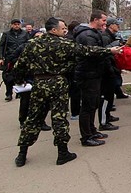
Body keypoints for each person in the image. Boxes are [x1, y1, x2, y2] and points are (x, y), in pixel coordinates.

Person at [13, 17, 123, 167]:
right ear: (53, 30)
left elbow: (19, 66)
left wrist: (20, 80)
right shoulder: (63, 44)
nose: (65, 31)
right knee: (59, 119)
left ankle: (22, 154)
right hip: (58, 83)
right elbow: (86, 51)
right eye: (62, 28)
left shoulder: (32, 44)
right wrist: (109, 50)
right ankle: (62, 153)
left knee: (33, 118)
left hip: (39, 84)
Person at [74, 10, 111, 146]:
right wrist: (109, 51)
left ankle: (92, 130)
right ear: (95, 20)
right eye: (103, 20)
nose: (105, 24)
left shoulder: (93, 33)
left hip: (94, 74)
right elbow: (92, 52)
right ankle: (86, 136)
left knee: (93, 104)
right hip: (88, 75)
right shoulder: (87, 35)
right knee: (88, 106)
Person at [98, 17, 122, 131]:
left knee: (109, 96)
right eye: (117, 24)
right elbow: (106, 55)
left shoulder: (110, 37)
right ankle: (103, 122)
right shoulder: (106, 37)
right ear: (111, 25)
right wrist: (111, 70)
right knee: (105, 97)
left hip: (111, 70)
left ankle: (107, 116)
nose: (118, 27)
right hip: (107, 72)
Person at [0, 19, 29, 101]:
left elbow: (29, 44)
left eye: (18, 24)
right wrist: (0, 58)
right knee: (8, 77)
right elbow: (1, 46)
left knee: (21, 75)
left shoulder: (24, 34)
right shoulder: (6, 34)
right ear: (11, 25)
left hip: (21, 58)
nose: (16, 26)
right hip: (9, 58)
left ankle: (19, 92)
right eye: (15, 24)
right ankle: (9, 93)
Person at [66, 20, 81, 120]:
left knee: (67, 90)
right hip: (73, 68)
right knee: (75, 91)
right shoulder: (74, 40)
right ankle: (75, 112)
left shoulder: (64, 38)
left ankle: (65, 110)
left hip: (65, 70)